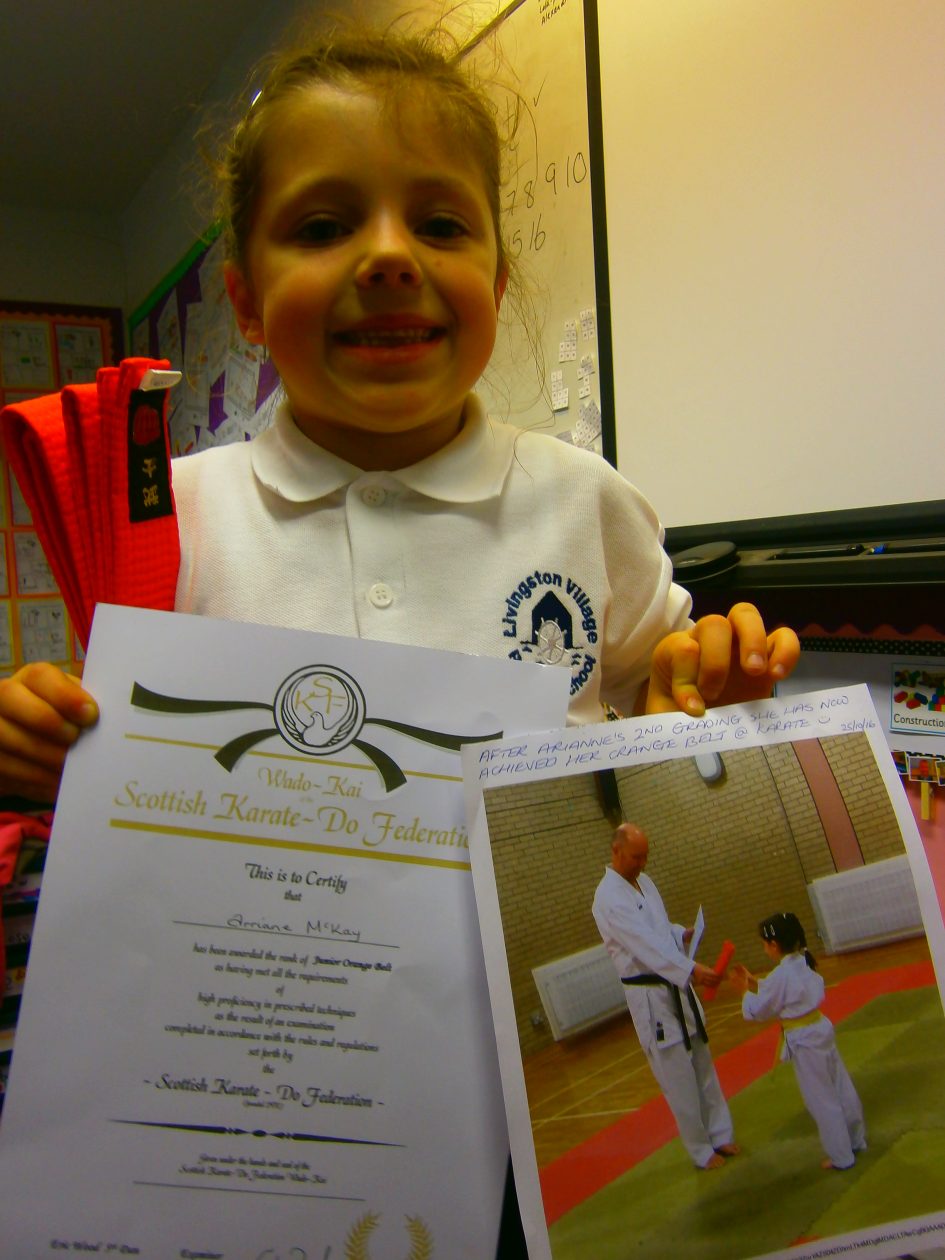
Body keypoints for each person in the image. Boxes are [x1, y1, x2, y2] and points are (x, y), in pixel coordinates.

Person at [0, 22, 799, 804]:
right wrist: (40, 741)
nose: (388, 256)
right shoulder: (166, 520)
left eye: (440, 225)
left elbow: (664, 723)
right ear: (246, 303)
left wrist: (699, 701)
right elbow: (127, 765)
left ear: (495, 286)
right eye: (323, 227)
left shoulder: (586, 502)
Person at [592, 822, 738, 1170]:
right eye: (635, 857)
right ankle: (701, 1151)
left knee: (702, 1062)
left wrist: (679, 933)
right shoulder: (609, 898)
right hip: (651, 997)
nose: (642, 863)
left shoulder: (644, 882)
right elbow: (643, 944)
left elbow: (657, 929)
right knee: (678, 1080)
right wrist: (691, 970)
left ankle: (720, 1134)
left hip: (675, 985)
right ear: (616, 851)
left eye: (645, 856)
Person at [731, 911, 866, 1171]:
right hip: (820, 1029)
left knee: (821, 1100)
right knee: (841, 1086)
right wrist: (755, 983)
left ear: (774, 944)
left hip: (805, 1040)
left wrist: (744, 992)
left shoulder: (782, 974)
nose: (764, 948)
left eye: (764, 943)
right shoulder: (802, 960)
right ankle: (856, 1140)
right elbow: (783, 990)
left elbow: (760, 1010)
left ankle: (841, 1156)